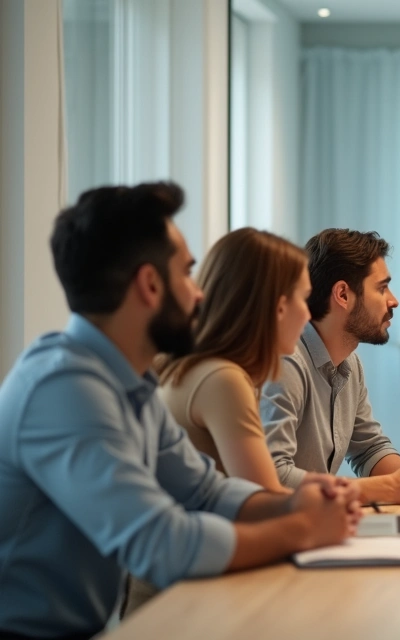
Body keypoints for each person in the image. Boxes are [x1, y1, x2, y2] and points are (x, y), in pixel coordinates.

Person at [0, 183, 360, 639]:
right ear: (150, 285)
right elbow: (162, 544)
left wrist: (293, 504)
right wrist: (300, 529)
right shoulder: (65, 389)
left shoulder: (130, 386)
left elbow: (206, 493)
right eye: (187, 275)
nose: (199, 295)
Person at [261, 229, 400, 504]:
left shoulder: (349, 363)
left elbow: (369, 448)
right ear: (343, 295)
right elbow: (274, 477)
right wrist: (392, 487)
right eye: (382, 288)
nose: (393, 300)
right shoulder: (286, 362)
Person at [159, 228, 311, 492]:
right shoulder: (223, 379)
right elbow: (266, 502)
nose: (308, 315)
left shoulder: (202, 369)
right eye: (304, 299)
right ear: (279, 307)